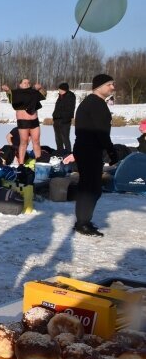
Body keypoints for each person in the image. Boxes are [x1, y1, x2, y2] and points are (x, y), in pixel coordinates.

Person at [72, 74, 118, 237]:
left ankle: (83, 221)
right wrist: (112, 152)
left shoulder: (93, 102)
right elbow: (101, 132)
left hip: (88, 148)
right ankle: (82, 223)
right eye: (110, 84)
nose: (113, 87)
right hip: (88, 149)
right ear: (99, 86)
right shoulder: (96, 104)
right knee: (91, 188)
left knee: (91, 186)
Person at [1, 78, 46, 165]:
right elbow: (10, 95)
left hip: (34, 122)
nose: (27, 84)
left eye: (28, 83)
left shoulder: (33, 92)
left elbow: (44, 95)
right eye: (24, 83)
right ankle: (21, 164)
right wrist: (7, 90)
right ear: (20, 84)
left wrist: (40, 88)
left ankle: (39, 163)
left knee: (36, 142)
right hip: (23, 122)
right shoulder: (16, 93)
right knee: (24, 142)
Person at [53, 82, 76, 154]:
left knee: (65, 138)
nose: (59, 90)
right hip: (57, 120)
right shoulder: (60, 96)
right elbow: (57, 108)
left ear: (64, 89)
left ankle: (68, 153)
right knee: (58, 138)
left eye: (60, 89)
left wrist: (65, 119)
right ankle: (60, 152)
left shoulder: (70, 96)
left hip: (64, 121)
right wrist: (54, 116)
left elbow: (70, 109)